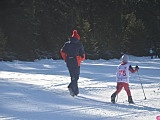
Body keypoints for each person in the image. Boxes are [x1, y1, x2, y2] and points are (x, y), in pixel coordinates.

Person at [60, 30, 85, 97]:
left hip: (69, 61)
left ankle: (75, 91)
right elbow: (83, 55)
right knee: (76, 76)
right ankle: (71, 86)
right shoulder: (79, 44)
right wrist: (81, 58)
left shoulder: (67, 44)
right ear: (78, 38)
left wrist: (65, 58)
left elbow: (62, 51)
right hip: (76, 61)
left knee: (72, 76)